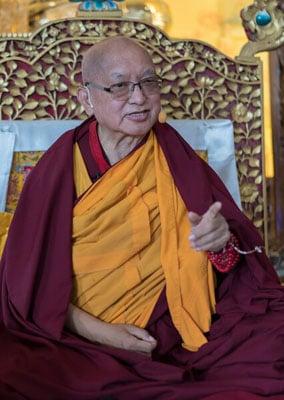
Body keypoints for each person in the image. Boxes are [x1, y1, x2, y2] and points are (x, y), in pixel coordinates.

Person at [0, 36, 284, 400]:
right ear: (85, 98)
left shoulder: (176, 158)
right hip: (77, 337)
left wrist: (219, 244)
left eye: (148, 82)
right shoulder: (56, 170)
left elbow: (232, 266)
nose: (138, 97)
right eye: (120, 86)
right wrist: (102, 332)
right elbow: (25, 282)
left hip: (180, 329)